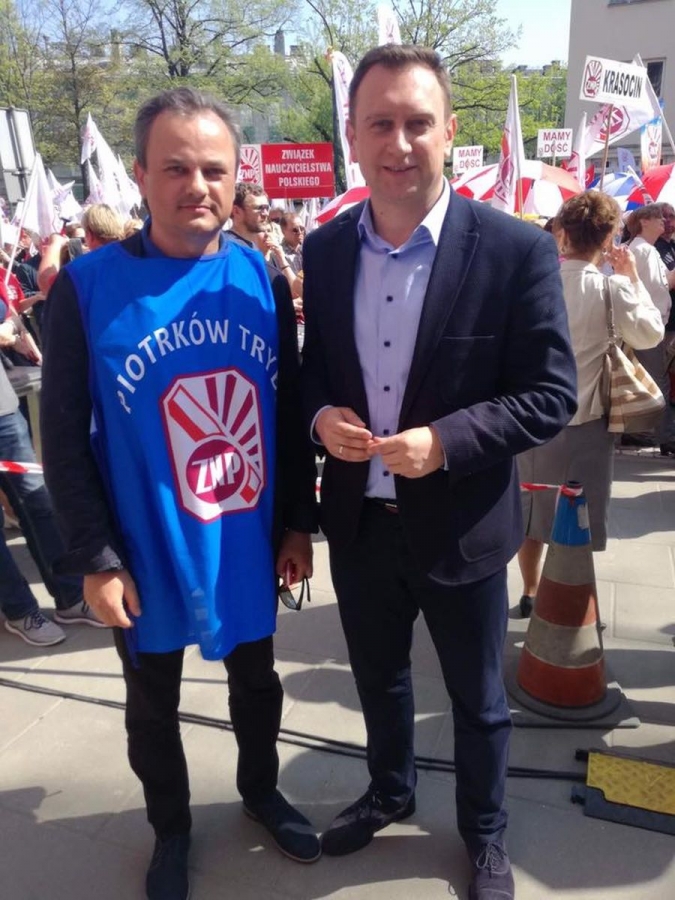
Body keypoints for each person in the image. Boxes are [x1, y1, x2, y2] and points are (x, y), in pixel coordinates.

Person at [301, 44, 577, 900]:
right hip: (360, 525)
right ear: (352, 135)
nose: (398, 142)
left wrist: (446, 441)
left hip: (462, 525)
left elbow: (550, 394)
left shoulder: (513, 249)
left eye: (417, 122)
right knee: (378, 680)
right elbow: (312, 373)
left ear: (449, 131)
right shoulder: (324, 249)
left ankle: (484, 832)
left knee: (478, 701)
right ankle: (389, 791)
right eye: (379, 122)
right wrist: (319, 417)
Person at [40, 87, 320, 900]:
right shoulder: (85, 286)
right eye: (175, 169)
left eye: (213, 170)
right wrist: (94, 558)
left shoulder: (260, 277)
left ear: (235, 178)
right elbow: (63, 435)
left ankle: (261, 792)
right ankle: (171, 828)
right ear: (139, 175)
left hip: (245, 537)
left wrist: (296, 524)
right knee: (152, 705)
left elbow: (287, 411)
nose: (197, 186)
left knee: (257, 684)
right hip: (143, 546)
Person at [517, 193, 664, 616]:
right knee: (576, 515)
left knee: (531, 515)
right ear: (608, 238)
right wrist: (632, 277)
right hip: (590, 420)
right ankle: (567, 603)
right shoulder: (611, 288)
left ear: (562, 233)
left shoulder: (533, 284)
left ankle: (530, 592)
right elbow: (651, 333)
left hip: (534, 418)